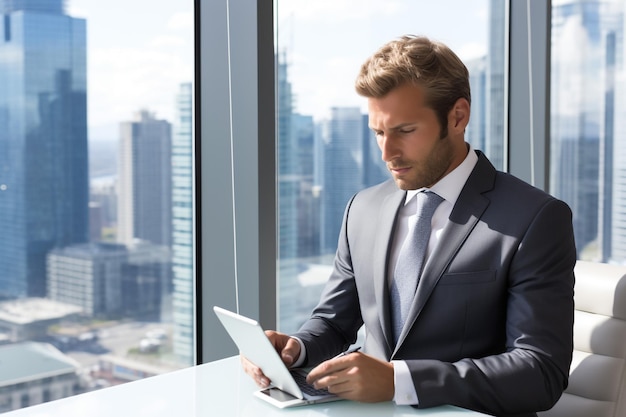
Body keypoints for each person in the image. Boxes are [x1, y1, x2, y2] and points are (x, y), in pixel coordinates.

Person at [242, 35, 576, 417]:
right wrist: (294, 348)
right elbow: (334, 322)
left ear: (457, 117)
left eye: (404, 130)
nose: (387, 153)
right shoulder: (362, 209)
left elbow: (539, 371)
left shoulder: (534, 218)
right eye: (379, 133)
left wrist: (400, 380)